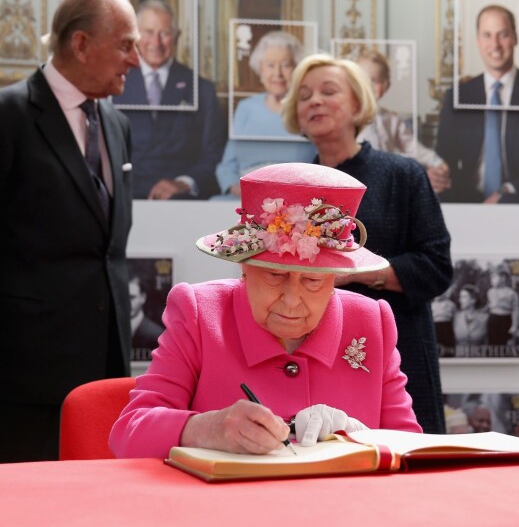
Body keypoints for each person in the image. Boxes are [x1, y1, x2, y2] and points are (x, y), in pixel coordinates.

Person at [110, 162, 421, 458]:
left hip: (342, 509)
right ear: (245, 267)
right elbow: (129, 434)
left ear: (336, 279)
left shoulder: (370, 322)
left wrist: (360, 436)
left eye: (313, 280)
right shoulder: (199, 313)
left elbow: (412, 452)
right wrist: (207, 428)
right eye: (275, 275)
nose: (290, 299)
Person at [0, 0, 139, 462]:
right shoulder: (9, 115)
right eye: (125, 44)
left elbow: (106, 244)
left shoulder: (117, 124)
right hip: (26, 374)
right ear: (81, 43)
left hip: (107, 365)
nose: (136, 59)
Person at [281, 54, 453, 434]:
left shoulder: (403, 175)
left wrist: (355, 272)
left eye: (329, 91)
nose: (315, 101)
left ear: (358, 104)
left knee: (409, 468)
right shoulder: (290, 188)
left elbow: (437, 269)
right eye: (305, 95)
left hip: (398, 346)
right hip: (311, 351)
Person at [436, 4, 519, 204]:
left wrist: (506, 192)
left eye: (503, 34)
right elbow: (444, 162)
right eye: (487, 35)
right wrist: (436, 176)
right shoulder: (458, 96)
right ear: (478, 41)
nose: (495, 44)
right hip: (467, 206)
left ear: (515, 38)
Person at [113, 0, 227, 200]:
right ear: (136, 36)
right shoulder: (114, 84)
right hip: (124, 196)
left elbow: (214, 153)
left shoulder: (201, 89)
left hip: (181, 200)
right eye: (148, 32)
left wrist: (184, 182)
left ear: (177, 37)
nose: (156, 43)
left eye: (164, 33)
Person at [214, 30, 316, 198]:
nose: (277, 74)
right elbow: (227, 166)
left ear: (296, 68)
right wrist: (237, 188)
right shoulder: (246, 108)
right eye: (270, 65)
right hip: (245, 195)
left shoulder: (307, 108)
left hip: (295, 197)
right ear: (260, 70)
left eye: (285, 65)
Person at [354, 50, 451, 193]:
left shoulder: (391, 120)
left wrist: (436, 162)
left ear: (386, 86)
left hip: (385, 183)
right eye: (366, 80)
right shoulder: (349, 118)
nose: (373, 87)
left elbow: (413, 147)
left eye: (378, 81)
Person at [129, 273, 164, 361]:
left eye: (132, 297)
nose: (127, 304)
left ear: (143, 298)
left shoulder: (157, 335)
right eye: (124, 298)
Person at [486, 263, 519, 346]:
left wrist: (514, 325)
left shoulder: (511, 293)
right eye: (491, 277)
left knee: (504, 345)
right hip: (492, 319)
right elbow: (489, 306)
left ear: (503, 278)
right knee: (492, 344)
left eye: (494, 277)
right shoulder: (490, 292)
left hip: (505, 320)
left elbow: (516, 310)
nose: (492, 279)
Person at [453, 285, 489, 353]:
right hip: (459, 360)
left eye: (464, 297)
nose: (460, 300)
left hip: (479, 360)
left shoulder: (484, 319)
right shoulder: (456, 317)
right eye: (460, 297)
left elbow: (487, 343)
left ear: (473, 300)